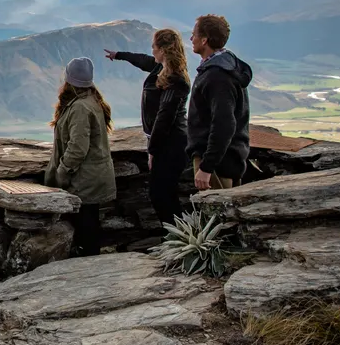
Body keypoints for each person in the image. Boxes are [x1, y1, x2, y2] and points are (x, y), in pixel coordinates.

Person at [105, 29, 191, 226]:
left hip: (172, 143)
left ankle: (179, 237)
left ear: (162, 50)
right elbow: (142, 60)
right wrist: (119, 55)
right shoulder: (160, 68)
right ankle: (175, 235)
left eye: (154, 47)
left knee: (161, 194)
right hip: (165, 142)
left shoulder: (175, 78)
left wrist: (153, 150)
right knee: (163, 193)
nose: (151, 50)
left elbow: (165, 117)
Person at [43, 57, 116, 257]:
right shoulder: (89, 101)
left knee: (86, 228)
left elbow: (77, 147)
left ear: (69, 80)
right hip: (91, 176)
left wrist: (62, 171)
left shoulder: (80, 107)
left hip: (84, 180)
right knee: (89, 224)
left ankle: (88, 270)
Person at [186, 14, 253, 190]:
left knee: (217, 216)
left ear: (204, 40)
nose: (191, 38)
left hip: (218, 164)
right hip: (226, 159)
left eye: (194, 34)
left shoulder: (217, 76)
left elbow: (224, 124)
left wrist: (206, 167)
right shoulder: (227, 67)